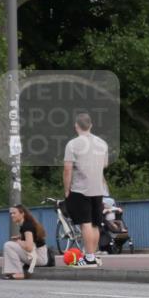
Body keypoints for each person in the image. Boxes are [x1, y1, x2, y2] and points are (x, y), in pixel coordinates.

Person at [62, 113, 109, 267]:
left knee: (85, 223)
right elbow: (105, 165)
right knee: (96, 223)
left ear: (76, 126)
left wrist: (67, 189)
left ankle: (88, 257)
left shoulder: (72, 144)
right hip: (98, 189)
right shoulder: (102, 143)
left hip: (80, 188)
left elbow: (67, 169)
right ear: (91, 125)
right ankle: (93, 255)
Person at [2, 204, 48, 279]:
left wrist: (18, 241)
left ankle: (18, 273)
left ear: (22, 214)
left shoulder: (27, 226)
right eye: (11, 213)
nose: (12, 215)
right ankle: (13, 271)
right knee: (11, 245)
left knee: (8, 245)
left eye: (14, 213)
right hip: (38, 255)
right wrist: (20, 238)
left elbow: (29, 247)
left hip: (39, 257)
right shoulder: (26, 224)